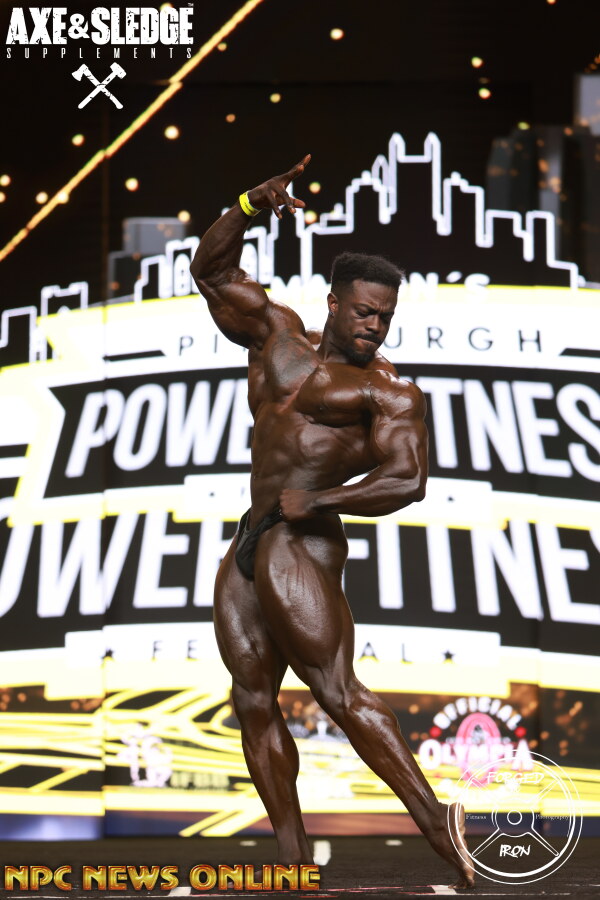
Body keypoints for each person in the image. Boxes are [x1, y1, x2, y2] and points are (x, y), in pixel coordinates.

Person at [190, 156, 474, 890]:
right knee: (252, 700)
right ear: (334, 303)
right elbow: (210, 271)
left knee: (337, 692)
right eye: (365, 311)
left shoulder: (390, 393)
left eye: (386, 316)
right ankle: (291, 861)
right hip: (251, 537)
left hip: (302, 541)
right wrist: (249, 206)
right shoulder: (276, 336)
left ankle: (438, 824)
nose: (375, 326)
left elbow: (408, 480)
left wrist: (320, 502)